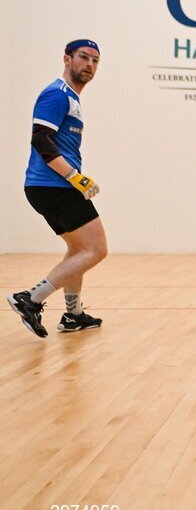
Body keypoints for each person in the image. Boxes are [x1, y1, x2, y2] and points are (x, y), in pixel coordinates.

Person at [7, 39, 107, 338]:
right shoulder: (57, 95)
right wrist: (75, 177)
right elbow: (40, 140)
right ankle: (31, 298)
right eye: (83, 57)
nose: (89, 64)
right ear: (67, 59)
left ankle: (73, 315)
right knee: (97, 249)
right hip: (54, 186)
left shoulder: (71, 98)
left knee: (79, 249)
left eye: (95, 61)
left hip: (49, 186)